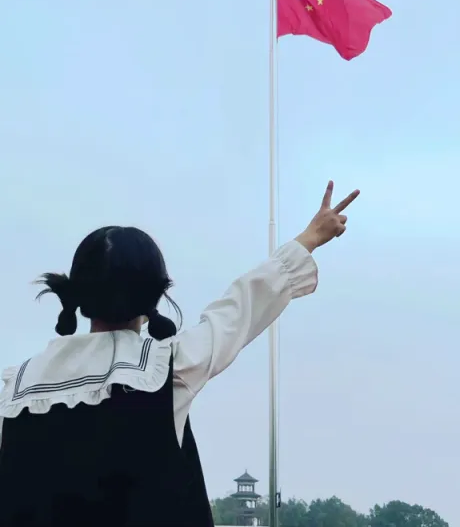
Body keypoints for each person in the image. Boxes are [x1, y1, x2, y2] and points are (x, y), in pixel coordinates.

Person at [0, 180, 359, 526]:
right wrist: (310, 237)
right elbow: (240, 308)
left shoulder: (13, 390)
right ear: (154, 296)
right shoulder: (166, 370)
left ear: (78, 296)